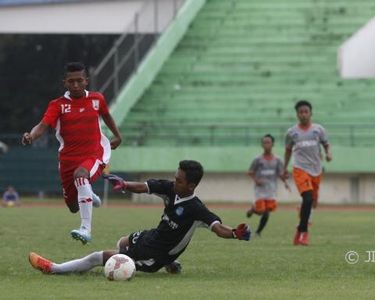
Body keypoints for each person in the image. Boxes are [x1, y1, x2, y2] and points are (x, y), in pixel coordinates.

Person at [29, 160, 251, 275]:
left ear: (192, 185)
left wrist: (234, 233)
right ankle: (172, 264)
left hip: (155, 255)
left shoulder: (196, 209)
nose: (175, 182)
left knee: (99, 257)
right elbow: (145, 186)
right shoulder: (170, 189)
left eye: (180, 180)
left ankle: (55, 269)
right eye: (175, 177)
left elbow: (218, 227)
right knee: (122, 243)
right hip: (151, 237)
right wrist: (124, 184)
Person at [21, 62, 122, 244]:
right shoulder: (57, 105)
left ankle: (86, 229)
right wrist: (31, 136)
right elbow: (43, 125)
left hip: (95, 154)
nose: (75, 85)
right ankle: (90, 195)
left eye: (79, 80)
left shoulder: (97, 99)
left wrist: (117, 135)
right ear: (65, 83)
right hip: (67, 160)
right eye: (71, 81)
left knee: (81, 175)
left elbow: (106, 115)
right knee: (73, 206)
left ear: (86, 81)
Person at [284, 100, 332, 246]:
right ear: (297, 114)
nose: (303, 114)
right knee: (308, 198)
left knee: (312, 203)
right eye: (301, 112)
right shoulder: (292, 133)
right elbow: (287, 151)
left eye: (306, 111)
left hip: (316, 170)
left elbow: (326, 144)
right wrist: (284, 168)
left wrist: (328, 153)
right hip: (300, 169)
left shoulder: (318, 130)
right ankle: (303, 233)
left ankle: (301, 223)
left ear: (311, 113)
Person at [246, 134, 290, 236]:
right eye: (264, 142)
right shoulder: (257, 159)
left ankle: (258, 232)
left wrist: (285, 181)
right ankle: (254, 209)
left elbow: (280, 174)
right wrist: (256, 180)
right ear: (262, 145)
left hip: (271, 190)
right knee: (262, 210)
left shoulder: (278, 160)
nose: (266, 144)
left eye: (268, 142)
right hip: (260, 190)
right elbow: (250, 172)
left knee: (267, 212)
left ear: (272, 144)